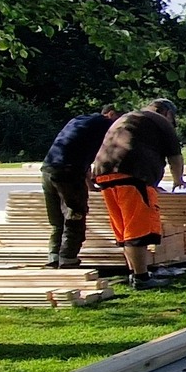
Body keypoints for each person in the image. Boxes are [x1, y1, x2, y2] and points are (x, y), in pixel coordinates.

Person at [88, 98, 186, 290]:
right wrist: (178, 180)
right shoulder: (160, 121)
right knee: (137, 228)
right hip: (132, 174)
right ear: (167, 112)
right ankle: (142, 278)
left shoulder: (128, 118)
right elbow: (175, 157)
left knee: (124, 227)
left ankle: (134, 273)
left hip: (105, 174)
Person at [38, 105, 119, 268]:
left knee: (57, 219)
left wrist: (90, 186)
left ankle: (54, 256)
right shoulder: (105, 124)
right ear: (111, 114)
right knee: (75, 215)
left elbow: (81, 157)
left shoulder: (80, 120)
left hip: (48, 169)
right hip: (68, 173)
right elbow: (106, 156)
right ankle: (68, 258)